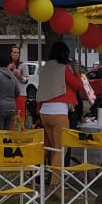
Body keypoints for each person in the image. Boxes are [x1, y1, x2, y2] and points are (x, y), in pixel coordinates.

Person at [36, 41, 82, 174]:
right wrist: (76, 71)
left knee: (53, 149)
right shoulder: (63, 69)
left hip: (44, 111)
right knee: (61, 149)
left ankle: (52, 180)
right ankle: (55, 186)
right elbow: (78, 86)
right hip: (59, 112)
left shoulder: (45, 68)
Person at [0, 46, 23, 132]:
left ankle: (0, 145)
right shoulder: (12, 76)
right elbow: (17, 92)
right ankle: (7, 145)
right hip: (12, 107)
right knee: (7, 132)